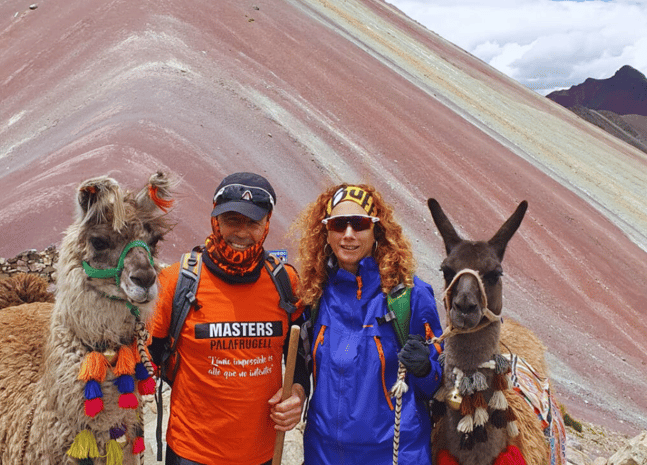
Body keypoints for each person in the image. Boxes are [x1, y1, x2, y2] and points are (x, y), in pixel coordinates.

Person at [149, 172, 309, 465]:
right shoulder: (176, 282)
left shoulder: (286, 283)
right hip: (191, 452)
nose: (242, 232)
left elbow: (302, 359)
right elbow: (149, 359)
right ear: (215, 220)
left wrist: (298, 393)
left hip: (261, 453)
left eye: (253, 223)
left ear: (267, 225)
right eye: (232, 220)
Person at [294, 184, 443, 464]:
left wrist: (425, 368)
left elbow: (437, 385)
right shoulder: (314, 294)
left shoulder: (409, 296)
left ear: (377, 230)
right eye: (339, 224)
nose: (348, 234)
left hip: (394, 454)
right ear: (325, 232)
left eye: (359, 224)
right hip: (323, 454)